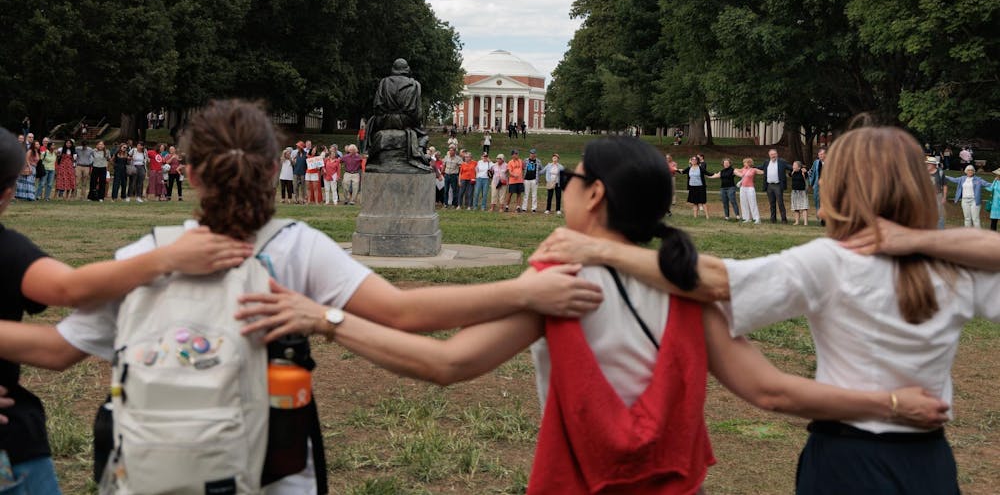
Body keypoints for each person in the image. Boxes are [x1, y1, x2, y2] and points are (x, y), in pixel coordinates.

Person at [238, 136, 949, 494]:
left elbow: (447, 364)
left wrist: (324, 317)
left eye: (573, 177)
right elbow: (768, 391)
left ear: (595, 195)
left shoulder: (559, 283)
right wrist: (887, 402)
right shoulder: (685, 285)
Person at [0, 101, 601, 494]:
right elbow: (405, 313)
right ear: (272, 170)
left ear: (192, 172)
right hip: (275, 467)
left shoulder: (144, 257)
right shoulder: (295, 249)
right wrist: (524, 289)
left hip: (157, 467)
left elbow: (55, 350)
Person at [534, 125, 1000, 494]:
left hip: (847, 459)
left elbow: (716, 282)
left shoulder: (831, 262)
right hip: (929, 458)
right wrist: (927, 241)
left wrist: (605, 251)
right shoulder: (956, 268)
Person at [0, 126, 250, 494]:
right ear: (7, 194)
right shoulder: (7, 250)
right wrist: (167, 256)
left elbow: (58, 346)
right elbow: (70, 289)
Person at [757, 148, 790, 223]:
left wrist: (799, 169)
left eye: (774, 154)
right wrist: (751, 167)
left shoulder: (782, 162)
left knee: (780, 203)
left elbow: (790, 167)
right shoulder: (766, 162)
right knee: (772, 203)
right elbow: (760, 167)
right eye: (771, 154)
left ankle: (784, 219)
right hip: (769, 186)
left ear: (777, 154)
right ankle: (773, 219)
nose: (773, 156)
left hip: (778, 185)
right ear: (769, 155)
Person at [736, 158, 763, 224]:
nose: (744, 164)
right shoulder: (743, 169)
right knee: (743, 203)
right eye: (744, 163)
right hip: (742, 188)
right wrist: (737, 171)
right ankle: (746, 218)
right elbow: (735, 170)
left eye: (745, 162)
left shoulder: (753, 170)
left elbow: (762, 172)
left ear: (749, 163)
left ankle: (757, 219)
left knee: (752, 203)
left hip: (750, 188)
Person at [927, 155, 948, 229]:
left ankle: (940, 230)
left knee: (940, 214)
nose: (927, 164)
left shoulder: (940, 172)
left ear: (934, 164)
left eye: (929, 163)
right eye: (927, 163)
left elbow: (945, 185)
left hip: (938, 196)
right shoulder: (924, 172)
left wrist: (944, 197)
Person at [789, 161, 809, 226]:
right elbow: (789, 175)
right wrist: (792, 171)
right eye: (793, 165)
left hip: (802, 192)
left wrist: (805, 172)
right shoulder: (793, 172)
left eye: (794, 165)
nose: (793, 166)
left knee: (804, 207)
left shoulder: (803, 172)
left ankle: (805, 223)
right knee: (796, 208)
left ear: (799, 167)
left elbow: (806, 177)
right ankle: (797, 222)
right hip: (794, 192)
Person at [807, 147, 825, 219]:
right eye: (819, 155)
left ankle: (825, 217)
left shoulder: (830, 162)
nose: (820, 156)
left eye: (822, 154)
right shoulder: (816, 162)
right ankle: (819, 215)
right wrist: (812, 183)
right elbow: (811, 172)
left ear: (825, 155)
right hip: (817, 184)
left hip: (827, 185)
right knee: (817, 200)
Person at [505, 149, 525, 213]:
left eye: (517, 154)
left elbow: (523, 168)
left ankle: (518, 207)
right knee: (510, 194)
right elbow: (509, 172)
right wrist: (513, 175)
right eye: (515, 154)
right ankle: (507, 207)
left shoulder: (520, 161)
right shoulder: (510, 162)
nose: (517, 155)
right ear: (512, 155)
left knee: (519, 194)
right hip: (512, 181)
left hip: (520, 181)